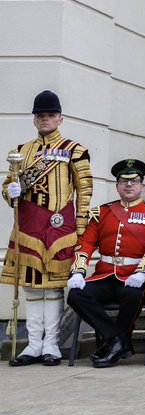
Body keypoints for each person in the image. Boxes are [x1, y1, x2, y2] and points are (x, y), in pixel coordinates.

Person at [3, 91, 92, 366]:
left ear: (60, 118)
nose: (45, 120)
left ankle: (51, 344)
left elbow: (85, 190)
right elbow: (8, 188)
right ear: (34, 120)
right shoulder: (21, 151)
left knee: (53, 287)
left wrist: (80, 227)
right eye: (41, 116)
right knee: (31, 286)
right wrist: (11, 191)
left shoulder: (74, 149)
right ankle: (33, 344)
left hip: (59, 225)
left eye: (51, 115)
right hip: (28, 224)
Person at [66, 159, 145, 367]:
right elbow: (85, 244)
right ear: (117, 186)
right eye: (123, 181)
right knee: (76, 295)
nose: (128, 185)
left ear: (142, 185)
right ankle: (117, 339)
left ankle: (114, 343)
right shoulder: (102, 213)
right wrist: (78, 271)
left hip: (134, 276)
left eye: (134, 181)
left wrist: (142, 273)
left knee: (132, 294)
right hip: (105, 275)